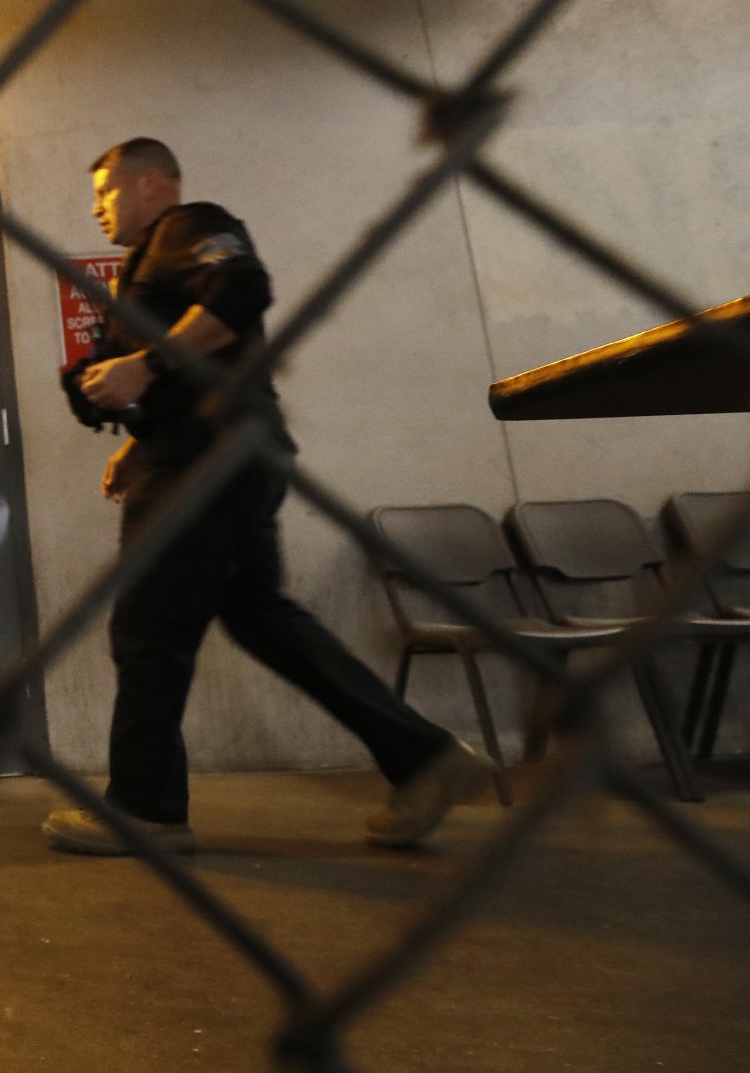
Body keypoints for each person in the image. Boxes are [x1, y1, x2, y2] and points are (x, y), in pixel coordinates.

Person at [43, 138, 492, 855]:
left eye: (105, 192)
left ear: (152, 183)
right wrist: (137, 437)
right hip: (215, 451)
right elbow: (212, 366)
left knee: (149, 627)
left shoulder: (189, 226)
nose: (97, 209)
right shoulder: (146, 268)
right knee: (261, 618)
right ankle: (424, 759)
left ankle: (145, 810)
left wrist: (146, 368)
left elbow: (242, 292)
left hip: (207, 463)